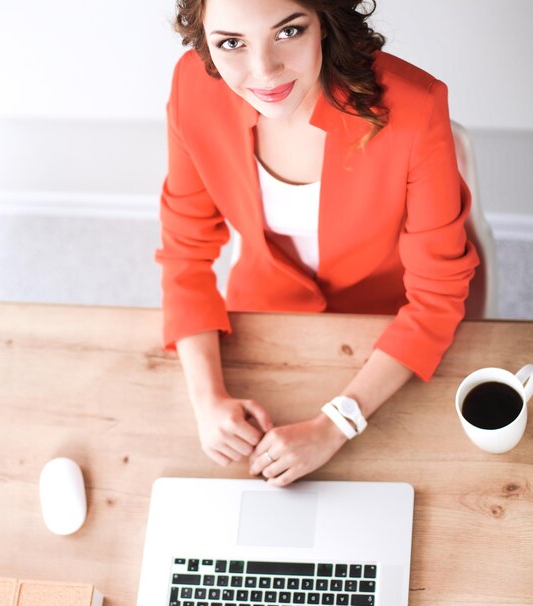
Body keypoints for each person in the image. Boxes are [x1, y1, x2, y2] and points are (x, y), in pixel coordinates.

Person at [156, 0, 479, 486]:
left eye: (288, 32)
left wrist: (336, 425)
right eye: (231, 43)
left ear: (323, 21)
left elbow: (436, 296)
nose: (264, 72)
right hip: (265, 314)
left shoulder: (416, 107)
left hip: (390, 326)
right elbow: (185, 251)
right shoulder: (192, 87)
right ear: (204, 37)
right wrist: (207, 398)